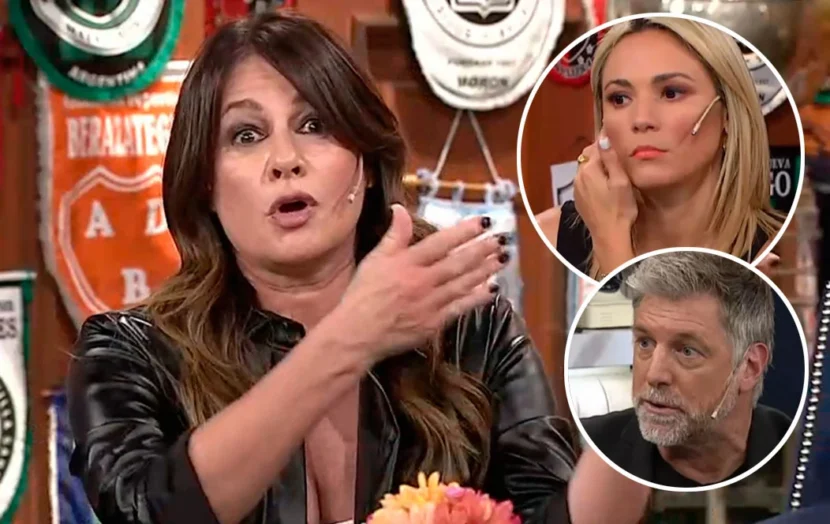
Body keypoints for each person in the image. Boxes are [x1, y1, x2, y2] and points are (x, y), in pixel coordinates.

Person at [66, 12, 651, 524]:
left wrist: (635, 326)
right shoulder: (131, 351)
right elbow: (147, 510)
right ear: (206, 186)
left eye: (314, 125)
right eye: (246, 135)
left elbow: (558, 514)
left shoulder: (473, 329)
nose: (285, 160)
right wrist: (351, 338)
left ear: (367, 167)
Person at [535, 17, 784, 280]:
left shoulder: (780, 250)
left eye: (671, 93)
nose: (642, 119)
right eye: (620, 98)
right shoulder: (545, 239)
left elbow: (640, 309)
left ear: (727, 115)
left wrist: (612, 244)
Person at [581, 251, 792, 488]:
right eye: (645, 343)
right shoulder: (583, 451)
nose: (654, 375)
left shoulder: (796, 454)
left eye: (687, 351)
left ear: (749, 367)